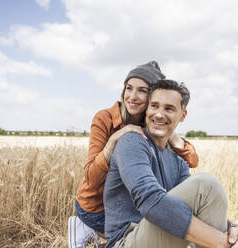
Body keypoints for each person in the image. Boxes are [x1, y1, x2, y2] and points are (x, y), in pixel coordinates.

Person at [68, 62, 199, 248]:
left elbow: (192, 162)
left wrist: (177, 140)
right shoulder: (105, 118)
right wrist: (114, 141)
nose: (132, 97)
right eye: (129, 88)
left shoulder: (154, 122)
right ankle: (87, 228)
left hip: (131, 204)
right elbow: (91, 178)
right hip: (97, 209)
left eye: (142, 91)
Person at [104, 79, 237, 248]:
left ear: (182, 115)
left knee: (210, 194)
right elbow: (149, 200)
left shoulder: (178, 161)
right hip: (126, 241)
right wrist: (223, 242)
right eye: (154, 106)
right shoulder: (132, 142)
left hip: (167, 237)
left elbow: (194, 210)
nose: (159, 114)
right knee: (206, 186)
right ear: (147, 109)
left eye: (168, 108)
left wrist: (230, 226)